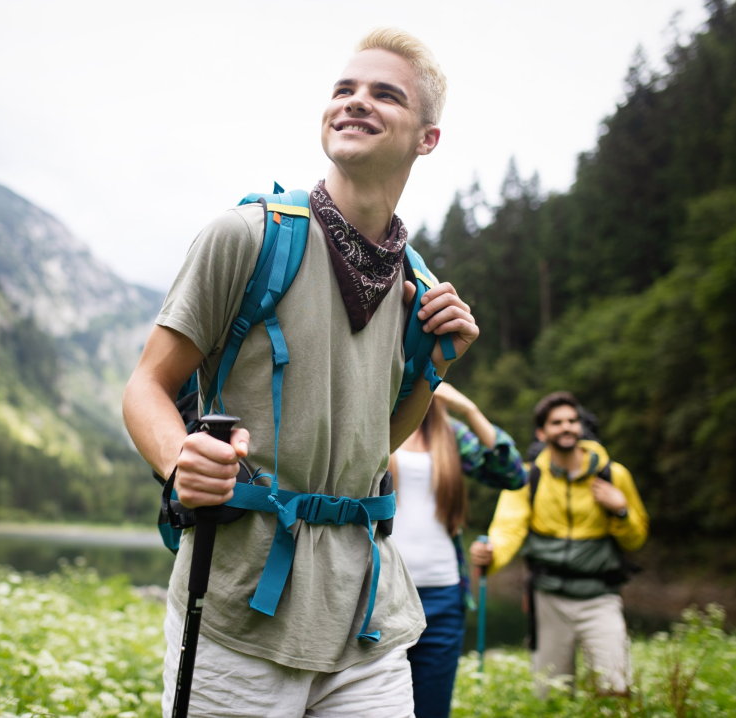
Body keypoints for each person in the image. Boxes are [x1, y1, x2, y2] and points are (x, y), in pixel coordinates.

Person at [122, 28, 479, 717]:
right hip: (236, 608)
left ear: (426, 139)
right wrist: (179, 463)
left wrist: (432, 369)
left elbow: (370, 445)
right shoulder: (247, 235)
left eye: (383, 94)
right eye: (343, 89)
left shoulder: (420, 288)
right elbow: (147, 386)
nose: (354, 102)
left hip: (367, 618)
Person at [469, 391, 649, 698]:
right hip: (548, 598)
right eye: (557, 422)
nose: (566, 427)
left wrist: (619, 509)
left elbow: (636, 538)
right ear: (542, 432)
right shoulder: (527, 478)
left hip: (600, 596)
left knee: (615, 688)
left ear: (580, 427)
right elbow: (508, 528)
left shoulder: (614, 475)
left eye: (572, 420)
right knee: (550, 694)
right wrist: (491, 555)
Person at [389, 381, 526, 717]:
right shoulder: (378, 422)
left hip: (443, 594)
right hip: (383, 595)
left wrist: (469, 409)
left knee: (433, 708)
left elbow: (512, 475)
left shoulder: (450, 432)